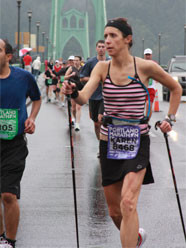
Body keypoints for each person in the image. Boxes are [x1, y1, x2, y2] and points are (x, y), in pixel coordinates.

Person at [62, 17, 182, 248]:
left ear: (128, 40)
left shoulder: (144, 67)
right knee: (116, 212)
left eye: (113, 36)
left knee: (128, 203)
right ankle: (135, 238)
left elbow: (175, 88)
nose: (107, 41)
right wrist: (72, 91)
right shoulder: (102, 67)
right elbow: (84, 96)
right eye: (105, 36)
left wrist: (170, 119)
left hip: (138, 141)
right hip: (109, 142)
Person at [0, 39, 41, 248]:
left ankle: (10, 241)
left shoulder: (23, 77)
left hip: (14, 143)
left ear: (8, 56)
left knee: (8, 194)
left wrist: (31, 118)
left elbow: (37, 98)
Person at [80, 40, 108, 155]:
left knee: (102, 119)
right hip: (93, 96)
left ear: (106, 49)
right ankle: (101, 144)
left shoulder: (111, 62)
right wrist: (96, 79)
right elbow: (82, 78)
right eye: (99, 47)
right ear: (96, 48)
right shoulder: (91, 62)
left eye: (103, 46)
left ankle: (105, 146)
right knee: (96, 123)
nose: (101, 49)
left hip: (106, 97)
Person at [64, 56, 83, 131]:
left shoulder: (83, 68)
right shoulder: (71, 68)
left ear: (80, 61)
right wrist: (71, 75)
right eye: (74, 60)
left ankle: (77, 124)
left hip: (81, 89)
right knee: (73, 108)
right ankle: (74, 118)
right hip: (73, 89)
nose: (75, 62)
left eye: (77, 60)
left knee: (79, 107)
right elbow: (65, 77)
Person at [144, 48, 157, 119]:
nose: (147, 56)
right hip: (142, 88)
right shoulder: (141, 64)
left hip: (151, 88)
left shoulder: (154, 64)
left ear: (151, 55)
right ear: (144, 55)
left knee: (149, 105)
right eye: (146, 55)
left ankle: (146, 121)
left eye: (149, 55)